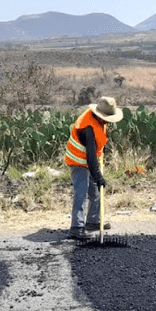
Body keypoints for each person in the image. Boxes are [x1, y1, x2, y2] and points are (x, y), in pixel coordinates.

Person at [64, 96, 123, 240]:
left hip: (89, 160)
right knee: (81, 193)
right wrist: (99, 177)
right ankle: (76, 227)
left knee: (96, 191)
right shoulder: (88, 127)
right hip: (78, 161)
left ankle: (93, 221)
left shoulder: (99, 120)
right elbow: (90, 157)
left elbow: (99, 143)